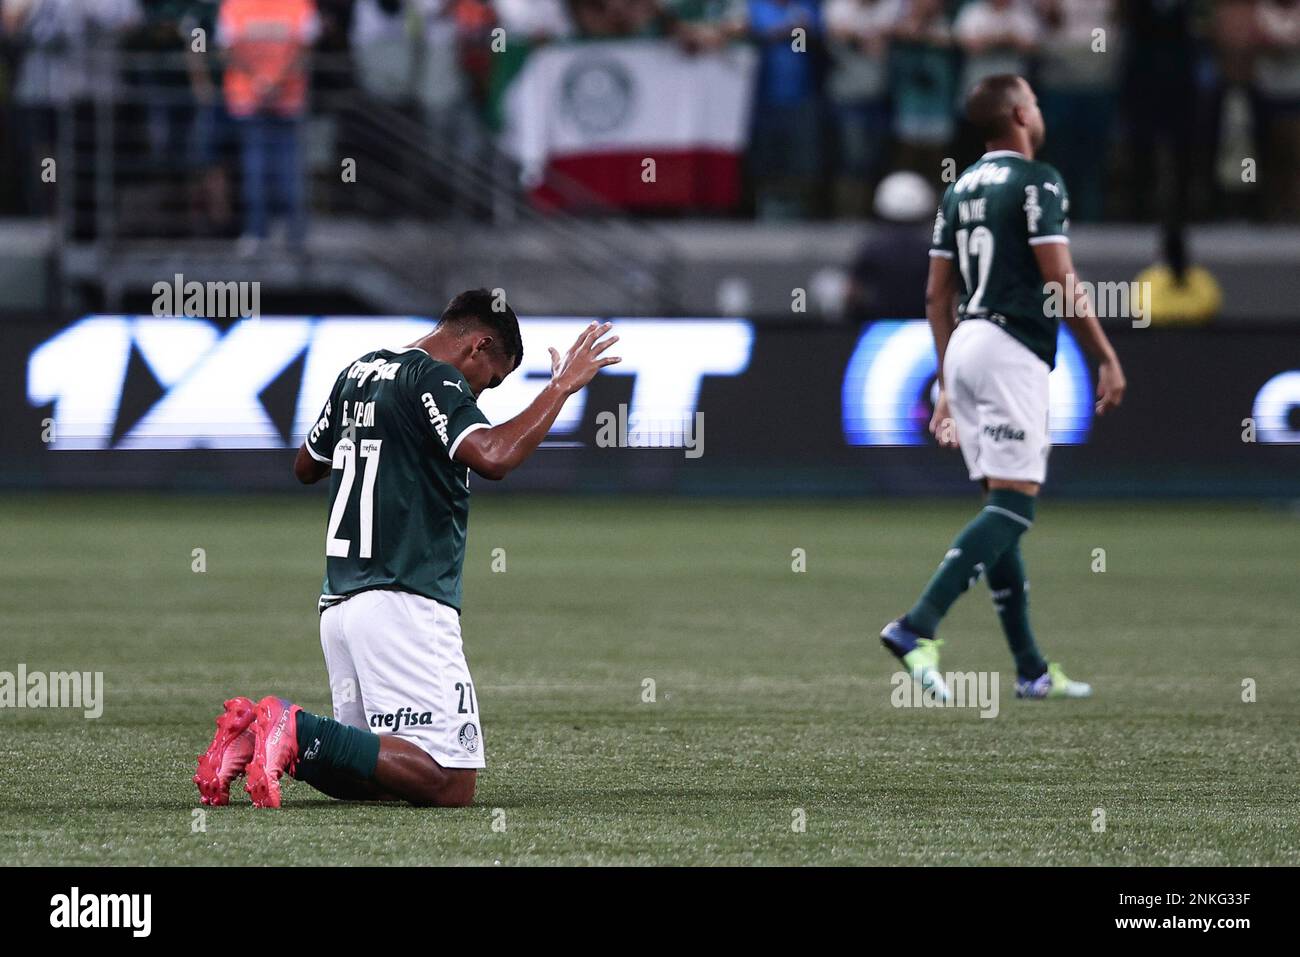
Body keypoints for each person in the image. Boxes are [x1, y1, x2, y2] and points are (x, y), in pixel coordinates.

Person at [195, 292, 621, 807]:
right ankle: (294, 729)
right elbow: (494, 456)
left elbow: (307, 466)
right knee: (450, 779)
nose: (480, 394)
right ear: (478, 345)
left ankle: (259, 736)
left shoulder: (359, 372)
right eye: (490, 379)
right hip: (405, 598)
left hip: (340, 606)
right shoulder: (435, 378)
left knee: (372, 773)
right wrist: (560, 388)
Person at [879, 75, 1127, 701]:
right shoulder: (1038, 179)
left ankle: (1031, 670)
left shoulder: (958, 188)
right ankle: (916, 627)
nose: (1039, 112)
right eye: (1036, 103)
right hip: (1011, 346)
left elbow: (937, 294)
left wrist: (943, 379)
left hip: (965, 344)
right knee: (1018, 502)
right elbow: (1059, 279)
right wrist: (1104, 353)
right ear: (1020, 113)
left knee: (1001, 508)